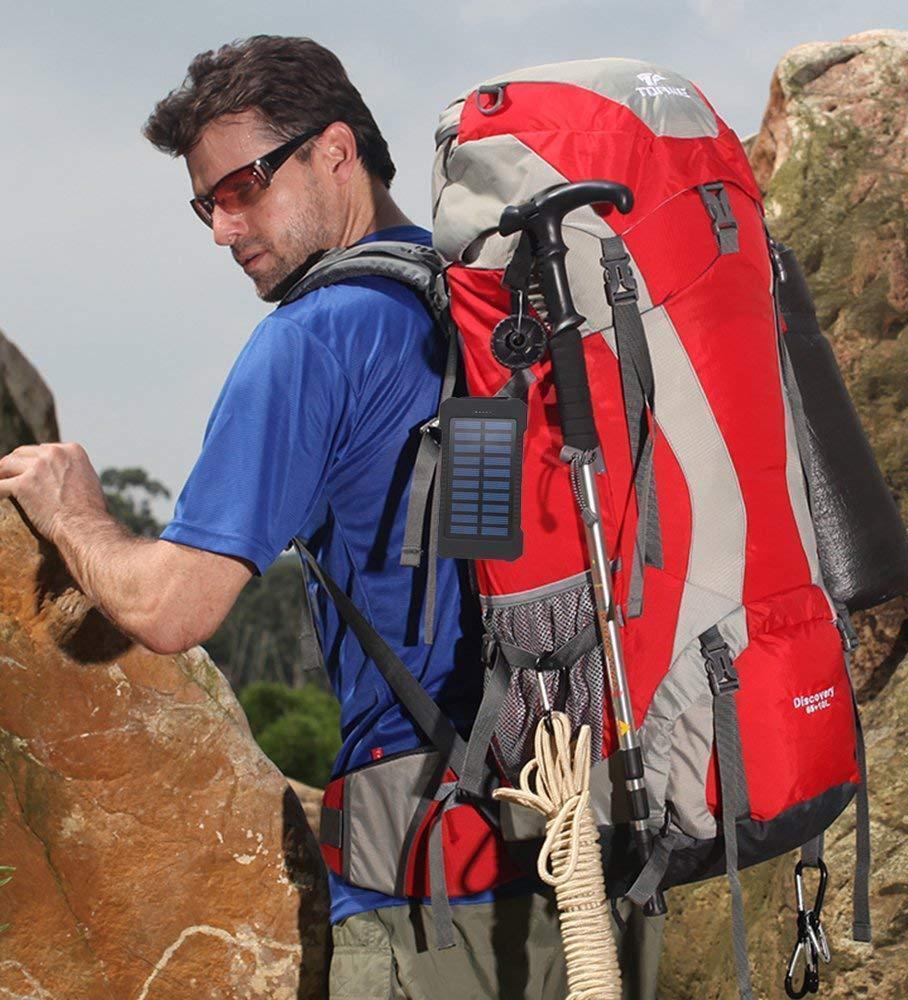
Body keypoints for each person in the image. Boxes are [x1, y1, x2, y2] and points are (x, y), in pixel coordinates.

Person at [0, 35, 663, 999]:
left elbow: (172, 610)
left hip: (430, 902)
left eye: (242, 186)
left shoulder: (316, 338)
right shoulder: (508, 308)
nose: (223, 229)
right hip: (597, 865)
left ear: (336, 151)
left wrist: (77, 516)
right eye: (204, 204)